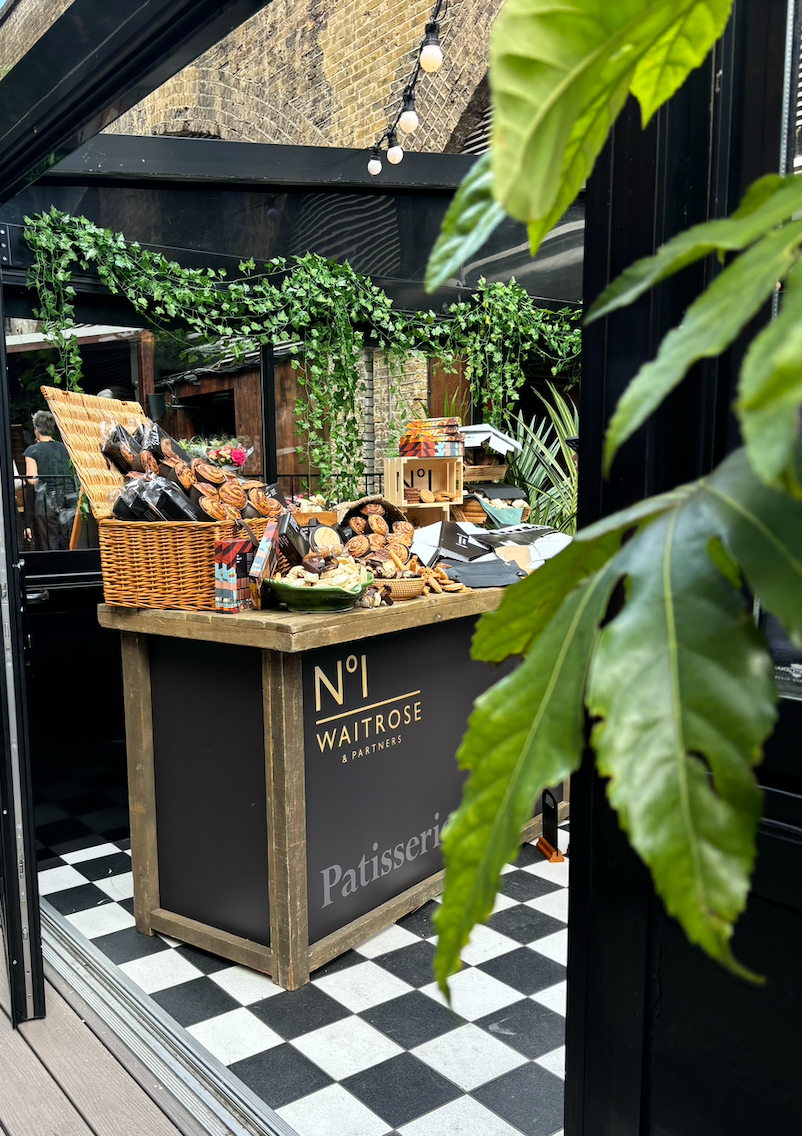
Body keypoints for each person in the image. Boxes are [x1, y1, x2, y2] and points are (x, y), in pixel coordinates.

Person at [24, 410, 73, 550]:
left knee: (49, 541)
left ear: (37, 430)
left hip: (46, 502)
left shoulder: (31, 451)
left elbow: (32, 480)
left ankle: (53, 568)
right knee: (66, 538)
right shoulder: (64, 448)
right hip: (67, 499)